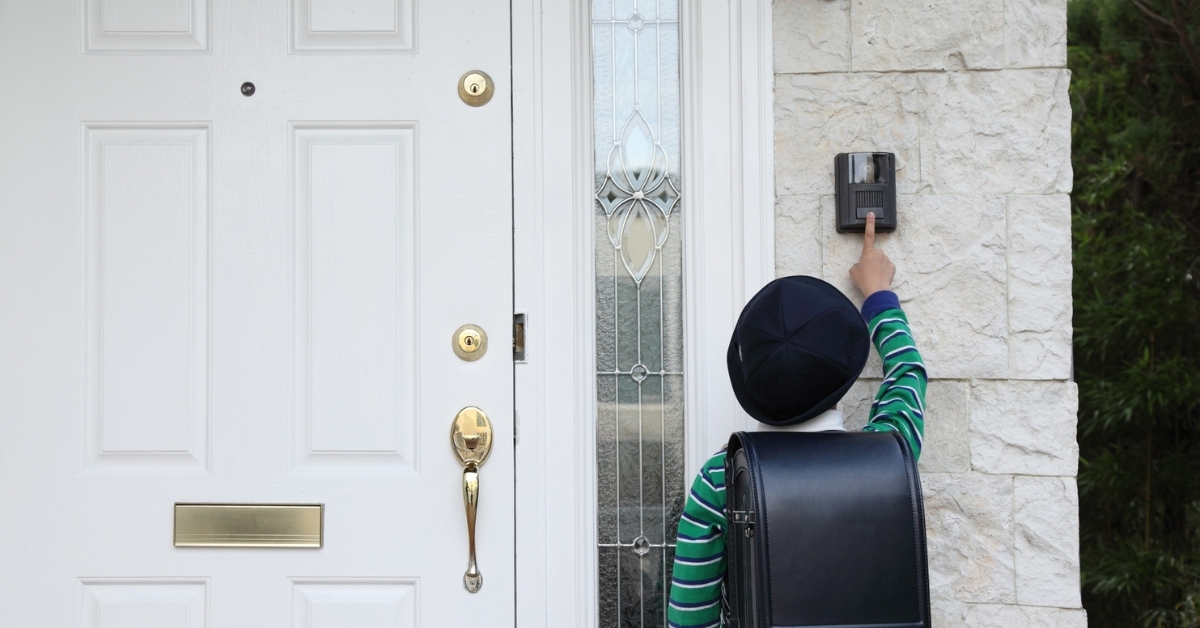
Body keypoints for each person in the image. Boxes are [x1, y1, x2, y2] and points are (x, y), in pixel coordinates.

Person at [666, 213, 928, 628]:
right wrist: (878, 295)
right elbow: (907, 375)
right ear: (842, 377)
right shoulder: (886, 459)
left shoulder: (721, 479)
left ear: (751, 387)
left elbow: (689, 621)